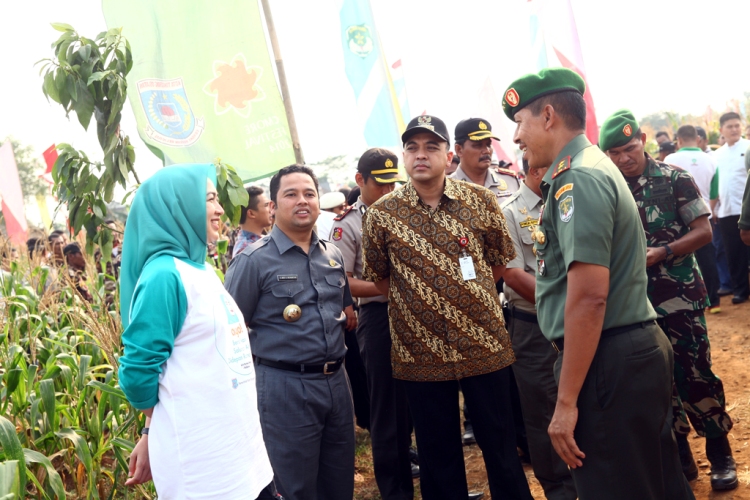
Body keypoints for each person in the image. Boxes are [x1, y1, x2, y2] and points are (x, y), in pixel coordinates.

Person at [502, 68, 693, 499]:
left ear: (548, 115)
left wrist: (566, 402)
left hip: (608, 359)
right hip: (626, 350)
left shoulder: (577, 180)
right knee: (656, 482)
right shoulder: (588, 168)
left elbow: (588, 298)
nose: (516, 137)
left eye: (520, 122)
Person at [362, 115, 532, 500]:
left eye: (431, 147)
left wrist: (466, 302)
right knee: (439, 459)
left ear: (448, 155)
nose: (421, 155)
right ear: (404, 156)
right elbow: (381, 279)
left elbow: (500, 262)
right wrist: (423, 304)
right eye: (412, 148)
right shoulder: (382, 214)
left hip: (483, 343)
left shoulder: (481, 201)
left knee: (501, 448)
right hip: (420, 351)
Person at [118, 164, 275, 499]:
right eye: (209, 199)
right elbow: (137, 373)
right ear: (177, 206)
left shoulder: (199, 267)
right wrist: (158, 426)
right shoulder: (163, 275)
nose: (220, 209)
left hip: (241, 451)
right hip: (204, 467)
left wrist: (148, 431)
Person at [601, 110, 736, 490]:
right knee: (655, 384)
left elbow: (704, 231)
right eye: (614, 153)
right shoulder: (607, 188)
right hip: (633, 305)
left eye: (629, 149)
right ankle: (680, 458)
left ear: (642, 139)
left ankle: (719, 453)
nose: (624, 158)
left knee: (695, 375)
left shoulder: (674, 178)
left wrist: (664, 252)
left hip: (679, 298)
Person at [225, 165, 356, 500]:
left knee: (339, 482)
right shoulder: (253, 262)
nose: (303, 201)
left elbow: (343, 312)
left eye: (309, 193)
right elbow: (230, 334)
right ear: (273, 206)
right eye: (291, 194)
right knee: (294, 488)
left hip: (336, 383)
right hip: (285, 388)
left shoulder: (333, 255)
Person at [329, 148, 414, 500]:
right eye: (380, 184)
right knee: (387, 410)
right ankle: (396, 491)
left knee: (419, 401)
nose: (388, 191)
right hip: (379, 318)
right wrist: (388, 288)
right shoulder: (346, 224)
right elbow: (341, 280)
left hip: (414, 315)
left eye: (393, 183)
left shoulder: (406, 210)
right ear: (360, 180)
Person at [501, 158, 576, 500]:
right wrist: (565, 306)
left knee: (581, 401)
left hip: (577, 322)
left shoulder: (568, 200)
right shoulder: (511, 213)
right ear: (535, 172)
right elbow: (514, 275)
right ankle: (559, 490)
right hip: (535, 326)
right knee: (544, 412)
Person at [665, 124, 721, 312]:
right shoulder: (711, 159)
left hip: (678, 220)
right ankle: (714, 302)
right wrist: (708, 213)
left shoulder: (670, 158)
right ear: (698, 139)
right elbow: (714, 193)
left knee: (683, 260)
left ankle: (688, 301)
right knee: (708, 259)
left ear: (678, 140)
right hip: (703, 218)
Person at [711, 112, 750, 303]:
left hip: (747, 210)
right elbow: (715, 184)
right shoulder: (717, 155)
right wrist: (714, 207)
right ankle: (740, 290)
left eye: (737, 125)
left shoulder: (748, 148)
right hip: (726, 210)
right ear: (721, 130)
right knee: (733, 253)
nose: (734, 129)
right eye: (730, 126)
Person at [451, 118, 520, 201]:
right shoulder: (446, 188)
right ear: (459, 150)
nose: (486, 150)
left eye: (488, 144)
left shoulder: (510, 181)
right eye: (478, 145)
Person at [233, 186, 272, 258]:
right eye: (266, 205)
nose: (271, 210)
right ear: (251, 213)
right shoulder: (245, 250)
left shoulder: (262, 240)